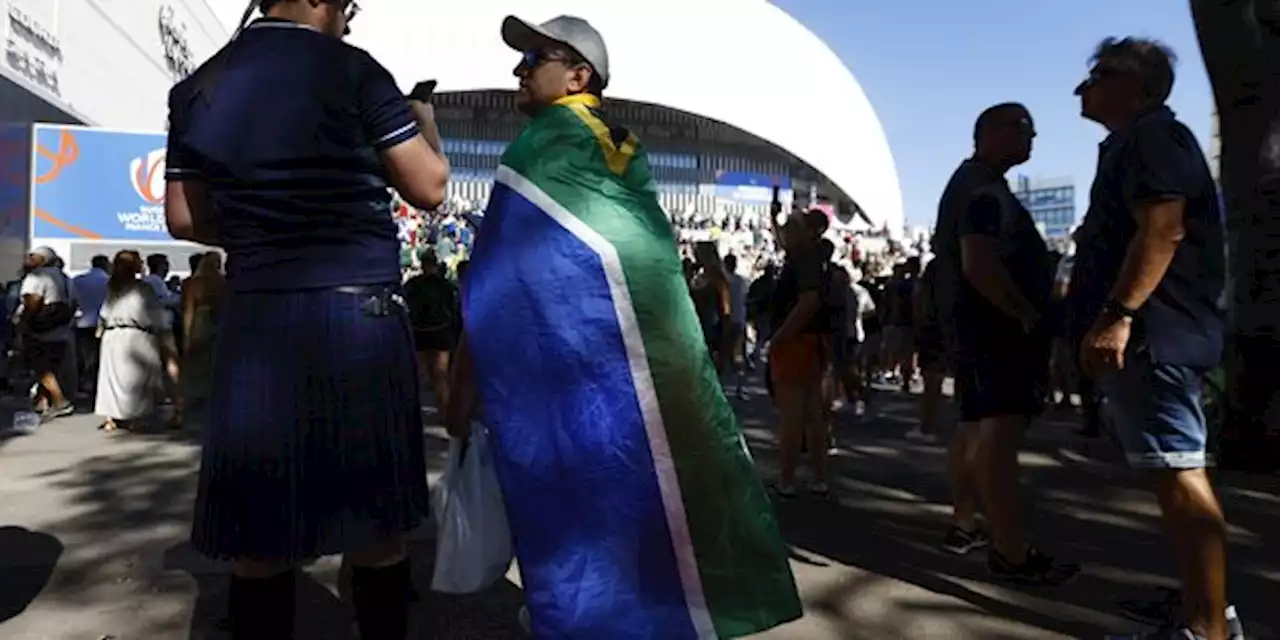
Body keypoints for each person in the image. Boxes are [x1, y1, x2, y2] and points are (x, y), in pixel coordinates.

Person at [448, 14, 800, 638]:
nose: (519, 69)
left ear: (578, 74)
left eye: (534, 57)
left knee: (579, 509)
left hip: (573, 373)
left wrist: (464, 379)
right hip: (641, 369)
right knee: (642, 507)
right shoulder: (620, 149)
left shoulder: (544, 146)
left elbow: (499, 280)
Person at [163, 0, 449, 638]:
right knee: (376, 530)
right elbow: (428, 188)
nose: (351, 16)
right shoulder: (355, 71)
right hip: (358, 318)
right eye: (347, 5)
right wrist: (425, 124)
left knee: (259, 541)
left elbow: (185, 220)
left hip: (259, 316)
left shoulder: (196, 86)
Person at [1070, 37, 1241, 640]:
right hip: (1155, 333)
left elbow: (1162, 231)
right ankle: (1200, 603)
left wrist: (1118, 314)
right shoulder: (1137, 141)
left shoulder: (1152, 139)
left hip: (1157, 335)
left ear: (1135, 86)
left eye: (1098, 75)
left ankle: (1209, 625)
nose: (1082, 89)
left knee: (1179, 472)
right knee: (1170, 474)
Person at [931, 103, 1077, 582]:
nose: (1033, 138)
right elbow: (980, 262)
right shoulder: (983, 191)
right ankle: (1010, 549)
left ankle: (970, 524)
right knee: (997, 438)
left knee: (975, 431)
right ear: (992, 132)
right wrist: (1022, 311)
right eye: (1025, 129)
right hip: (996, 336)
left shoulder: (974, 185)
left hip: (979, 333)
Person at [94, 250, 181, 431]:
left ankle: (112, 416)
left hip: (112, 336)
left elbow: (104, 313)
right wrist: (164, 332)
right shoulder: (143, 288)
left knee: (112, 378)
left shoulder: (112, 288)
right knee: (136, 377)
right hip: (137, 335)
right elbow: (154, 313)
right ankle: (136, 417)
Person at [18, 247, 76, 421]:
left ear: (42, 260)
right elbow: (73, 303)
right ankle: (42, 402)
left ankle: (60, 402)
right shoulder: (65, 278)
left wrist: (24, 326)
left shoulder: (36, 277)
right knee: (51, 366)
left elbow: (32, 303)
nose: (28, 259)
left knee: (41, 367)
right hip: (60, 329)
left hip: (39, 330)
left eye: (33, 257)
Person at [71, 255, 111, 395]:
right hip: (102, 323)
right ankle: (97, 384)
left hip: (82, 322)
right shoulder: (108, 281)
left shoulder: (78, 280)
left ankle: (82, 383)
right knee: (100, 356)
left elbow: (72, 301)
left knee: (82, 356)